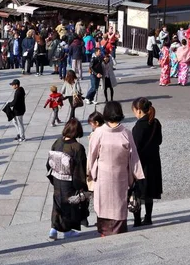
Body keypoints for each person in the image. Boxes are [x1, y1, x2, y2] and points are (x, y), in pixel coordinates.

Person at [88, 101, 144, 236]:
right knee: (119, 205)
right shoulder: (126, 133)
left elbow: (91, 155)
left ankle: (104, 232)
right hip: (121, 175)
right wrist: (137, 176)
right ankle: (119, 231)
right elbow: (134, 157)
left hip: (103, 175)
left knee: (103, 204)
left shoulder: (99, 132)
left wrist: (90, 172)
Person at [47, 119, 88, 240]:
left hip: (56, 177)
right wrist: (81, 184)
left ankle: (53, 229)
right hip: (69, 180)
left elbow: (49, 162)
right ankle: (67, 230)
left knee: (57, 203)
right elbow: (80, 167)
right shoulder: (77, 147)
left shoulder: (57, 142)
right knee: (68, 204)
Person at [131, 98, 162, 226]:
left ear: (138, 111)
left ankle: (137, 219)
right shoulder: (155, 122)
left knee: (137, 191)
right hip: (154, 161)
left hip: (141, 162)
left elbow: (135, 146)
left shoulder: (138, 126)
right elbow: (159, 140)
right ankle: (148, 217)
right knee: (149, 191)